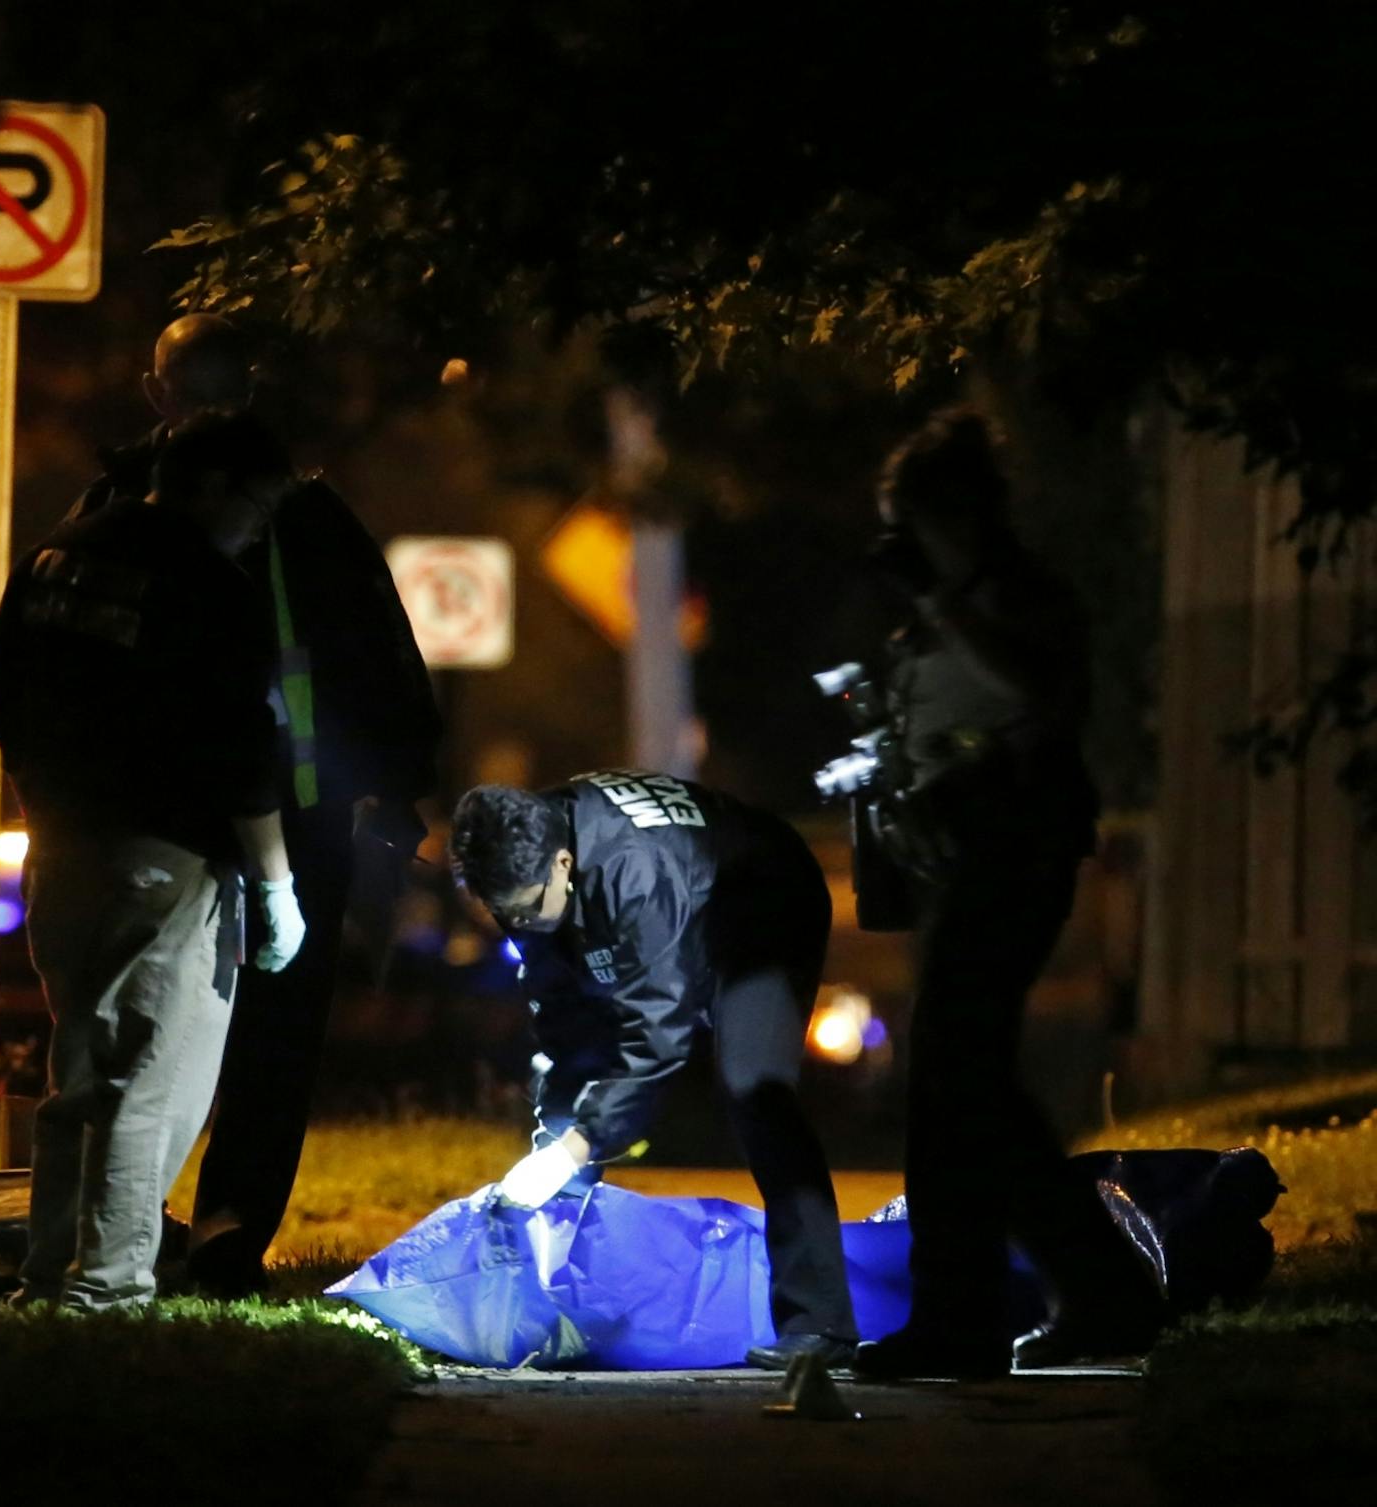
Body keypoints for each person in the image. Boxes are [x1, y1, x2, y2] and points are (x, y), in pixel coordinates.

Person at [72, 314, 443, 1296]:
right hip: (191, 820)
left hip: (273, 819)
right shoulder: (134, 512)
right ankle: (140, 1235)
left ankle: (210, 1239)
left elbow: (376, 659)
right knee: (161, 1041)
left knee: (242, 1044)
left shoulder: (290, 516)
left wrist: (393, 794)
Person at [848, 409, 1164, 1380]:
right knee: (966, 1080)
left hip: (1016, 846)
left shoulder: (1018, 598)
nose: (905, 542)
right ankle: (1091, 1287)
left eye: (915, 518)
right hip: (962, 852)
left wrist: (945, 606)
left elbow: (1044, 692)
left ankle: (967, 1315)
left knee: (953, 1075)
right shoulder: (948, 604)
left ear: (960, 511)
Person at [0, 410, 308, 1310]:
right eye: (256, 503)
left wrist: (47, 810)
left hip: (62, 848)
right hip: (166, 856)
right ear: (209, 483)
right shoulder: (208, 583)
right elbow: (243, 756)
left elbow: (5, 699)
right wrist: (277, 884)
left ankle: (47, 1275)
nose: (257, 525)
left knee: (77, 1071)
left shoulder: (58, 554)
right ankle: (109, 1290)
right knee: (151, 1081)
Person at [451, 772, 860, 1370]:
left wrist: (577, 1145)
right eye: (502, 914)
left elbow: (657, 1037)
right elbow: (564, 1014)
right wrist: (555, 1132)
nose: (524, 924)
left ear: (564, 862)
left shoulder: (633, 874)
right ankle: (560, 1299)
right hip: (672, 893)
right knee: (572, 1106)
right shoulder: (523, 865)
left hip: (762, 899)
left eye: (530, 908)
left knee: (754, 1084)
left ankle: (821, 1320)